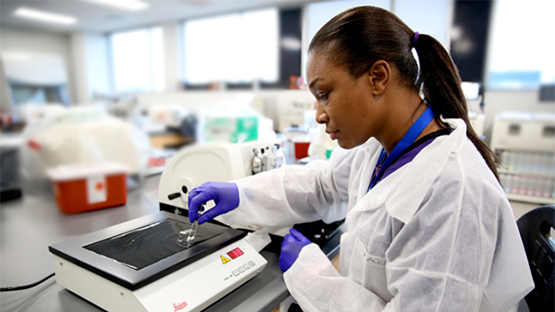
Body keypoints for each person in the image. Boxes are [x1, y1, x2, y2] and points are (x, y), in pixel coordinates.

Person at [188, 6, 534, 312]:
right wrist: (240, 193)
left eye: (324, 94)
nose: (319, 115)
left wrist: (312, 277)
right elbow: (322, 185)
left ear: (378, 77)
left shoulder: (453, 191)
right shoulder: (384, 148)